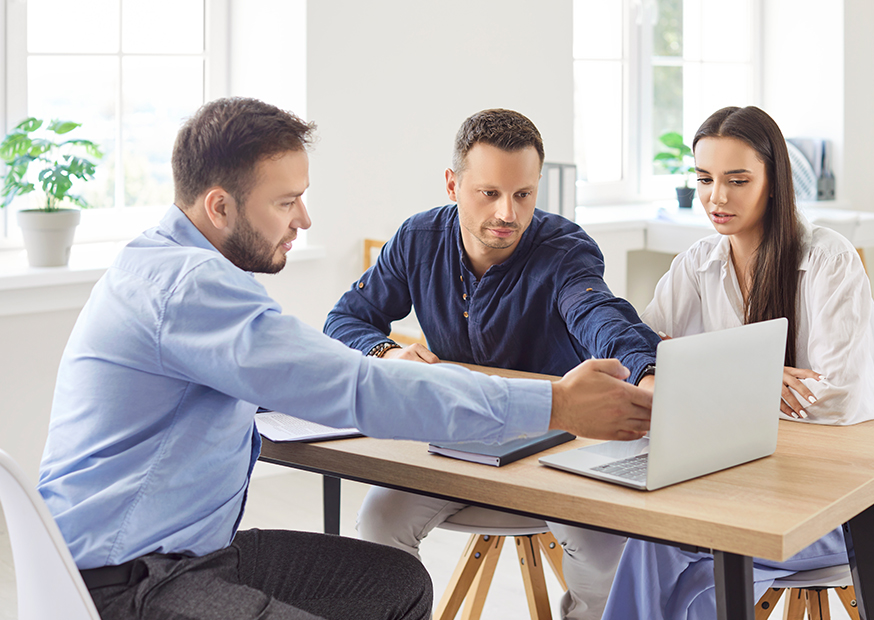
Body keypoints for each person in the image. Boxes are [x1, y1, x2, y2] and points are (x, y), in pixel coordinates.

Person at [36, 97, 653, 620]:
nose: (304, 219)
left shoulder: (171, 266)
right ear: (220, 207)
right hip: (130, 578)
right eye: (286, 202)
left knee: (397, 584)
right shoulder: (191, 289)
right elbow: (357, 381)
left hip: (183, 549)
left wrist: (635, 370)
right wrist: (557, 402)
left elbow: (597, 311)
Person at [324, 108, 660, 620]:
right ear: (452, 184)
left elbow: (602, 316)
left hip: (560, 445)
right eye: (489, 193)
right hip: (455, 439)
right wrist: (387, 352)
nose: (508, 213)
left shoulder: (565, 249)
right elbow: (345, 320)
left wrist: (647, 372)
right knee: (377, 526)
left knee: (605, 552)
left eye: (523, 194)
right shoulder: (416, 239)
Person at [601, 105, 874, 619]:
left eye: (737, 180)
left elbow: (836, 403)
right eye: (704, 179)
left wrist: (712, 381)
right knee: (651, 540)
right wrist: (753, 383)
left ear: (774, 180)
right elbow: (644, 351)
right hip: (751, 478)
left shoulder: (829, 260)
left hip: (856, 497)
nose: (716, 197)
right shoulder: (699, 262)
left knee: (705, 589)